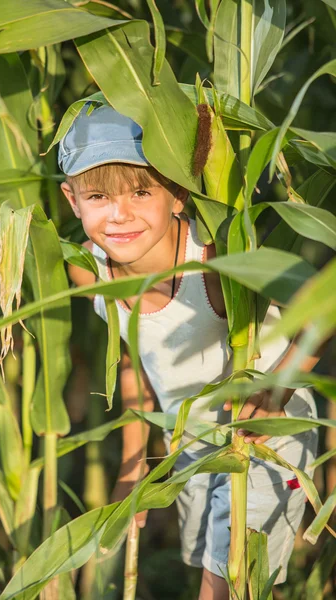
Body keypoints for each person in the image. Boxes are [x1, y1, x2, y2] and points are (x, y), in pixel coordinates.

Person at [58, 103, 319, 600]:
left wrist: (277, 390)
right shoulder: (88, 271)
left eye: (140, 191)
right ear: (72, 200)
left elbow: (321, 310)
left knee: (222, 585)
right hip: (190, 448)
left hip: (265, 439)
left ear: (177, 192)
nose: (120, 214)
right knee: (226, 576)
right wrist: (132, 473)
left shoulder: (214, 258)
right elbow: (133, 365)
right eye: (97, 196)